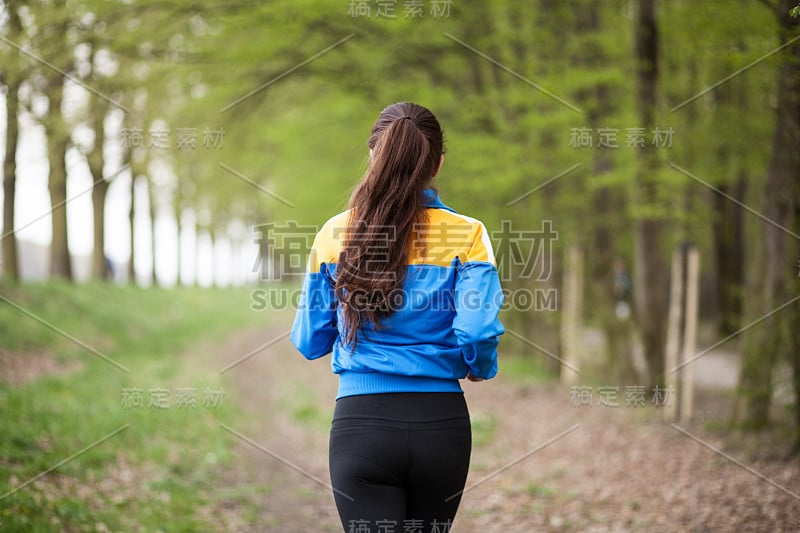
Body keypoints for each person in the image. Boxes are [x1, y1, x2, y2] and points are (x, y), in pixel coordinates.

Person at [290, 102, 504, 532]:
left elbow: (310, 340)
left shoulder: (336, 233)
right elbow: (477, 330)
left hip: (360, 426)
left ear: (374, 153)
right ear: (438, 163)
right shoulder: (469, 234)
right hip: (441, 426)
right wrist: (479, 367)